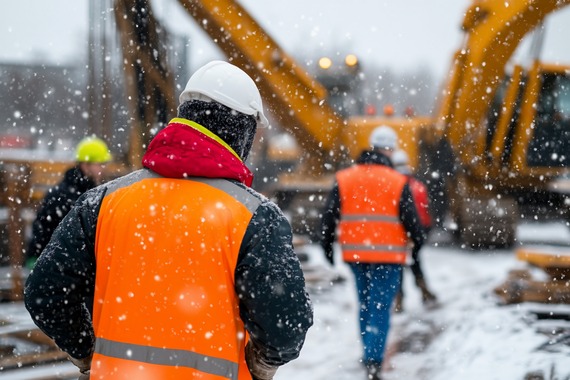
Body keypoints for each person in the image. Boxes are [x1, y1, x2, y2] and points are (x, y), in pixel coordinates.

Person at [24, 60, 313, 380]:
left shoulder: (103, 201)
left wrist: (85, 351)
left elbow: (45, 293)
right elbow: (287, 324)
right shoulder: (255, 217)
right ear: (242, 131)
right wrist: (263, 363)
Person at [320, 125, 425, 380]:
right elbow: (412, 221)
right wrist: (417, 244)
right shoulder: (398, 181)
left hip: (355, 255)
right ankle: (374, 360)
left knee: (365, 305)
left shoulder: (345, 177)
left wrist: (327, 246)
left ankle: (369, 351)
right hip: (388, 257)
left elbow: (329, 215)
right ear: (390, 150)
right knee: (380, 306)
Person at [25, 135, 112, 268]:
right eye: (99, 164)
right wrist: (36, 257)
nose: (103, 168)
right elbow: (44, 231)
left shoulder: (87, 191)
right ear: (85, 164)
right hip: (60, 267)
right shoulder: (66, 196)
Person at [391, 149, 438, 312]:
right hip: (418, 231)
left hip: (398, 232)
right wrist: (422, 233)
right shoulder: (418, 185)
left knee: (398, 265)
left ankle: (399, 299)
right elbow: (425, 212)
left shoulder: (393, 185)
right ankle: (424, 290)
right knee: (415, 261)